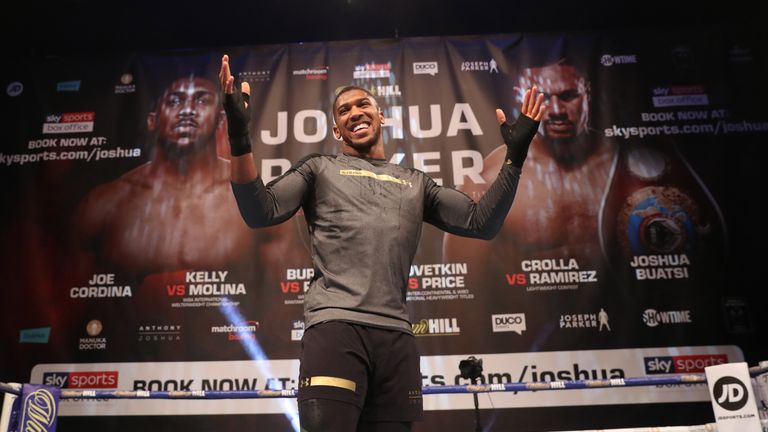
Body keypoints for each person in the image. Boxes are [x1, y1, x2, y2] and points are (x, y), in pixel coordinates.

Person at [219, 54, 545, 432]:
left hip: (396, 338)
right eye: (344, 111)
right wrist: (239, 136)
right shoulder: (318, 169)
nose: (355, 113)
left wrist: (515, 157)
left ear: (381, 116)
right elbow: (260, 211)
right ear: (337, 130)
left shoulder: (416, 183)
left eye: (363, 105)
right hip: (336, 330)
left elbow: (481, 222)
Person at [74, 75, 295, 275]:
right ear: (152, 120)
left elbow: (282, 291)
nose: (187, 110)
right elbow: (74, 294)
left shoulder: (255, 199)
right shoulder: (106, 202)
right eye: (174, 102)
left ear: (221, 120)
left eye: (201, 101)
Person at [443, 61, 616, 285]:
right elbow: (465, 288)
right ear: (521, 98)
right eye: (542, 98)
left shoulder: (623, 161)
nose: (557, 111)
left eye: (568, 96)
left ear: (587, 93)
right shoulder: (486, 179)